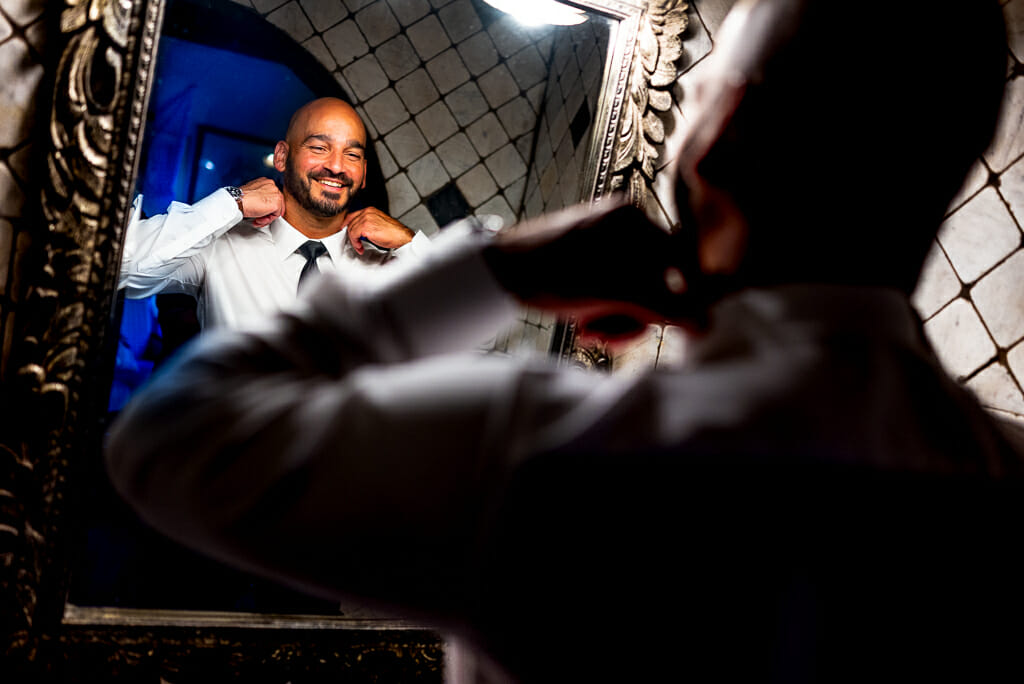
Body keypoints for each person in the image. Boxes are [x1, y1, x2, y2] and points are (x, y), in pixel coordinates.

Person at [107, 0, 1024, 680]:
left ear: (717, 134)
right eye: (321, 147)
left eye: (698, 89)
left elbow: (168, 438)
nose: (340, 166)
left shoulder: (541, 451)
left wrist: (489, 268)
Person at [119, 97, 429, 330]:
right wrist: (232, 203)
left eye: (352, 154)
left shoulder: (390, 268)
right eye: (319, 148)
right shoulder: (220, 246)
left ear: (362, 175)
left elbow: (476, 345)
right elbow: (119, 268)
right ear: (282, 157)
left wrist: (411, 245)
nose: (336, 166)